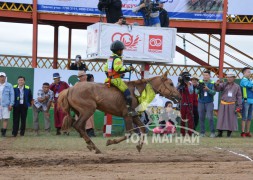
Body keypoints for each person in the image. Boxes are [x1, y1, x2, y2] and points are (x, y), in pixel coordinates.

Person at [103, 40, 136, 116]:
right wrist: (128, 69)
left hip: (108, 79)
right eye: (122, 50)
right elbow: (118, 69)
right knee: (128, 93)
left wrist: (115, 75)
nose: (122, 51)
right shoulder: (117, 59)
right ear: (118, 51)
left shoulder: (110, 58)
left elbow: (106, 69)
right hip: (115, 80)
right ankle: (129, 110)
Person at [215, 71, 242, 137]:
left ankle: (229, 134)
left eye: (231, 77)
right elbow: (218, 89)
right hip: (223, 104)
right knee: (221, 118)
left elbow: (239, 96)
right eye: (228, 77)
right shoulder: (224, 84)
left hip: (232, 104)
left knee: (231, 119)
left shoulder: (237, 86)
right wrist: (217, 84)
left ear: (234, 78)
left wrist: (239, 106)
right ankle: (220, 133)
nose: (229, 78)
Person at [197, 70, 216, 138]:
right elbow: (196, 92)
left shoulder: (212, 83)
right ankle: (202, 133)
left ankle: (212, 132)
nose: (205, 76)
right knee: (201, 118)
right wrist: (199, 88)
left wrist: (208, 89)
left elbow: (214, 93)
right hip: (201, 102)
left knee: (210, 117)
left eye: (206, 75)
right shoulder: (200, 82)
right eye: (204, 75)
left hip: (209, 102)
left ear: (209, 76)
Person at [177, 72, 194, 136]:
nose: (186, 79)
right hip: (182, 103)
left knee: (190, 119)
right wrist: (179, 83)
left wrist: (188, 85)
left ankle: (190, 133)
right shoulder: (179, 83)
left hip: (189, 103)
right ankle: (182, 133)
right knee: (182, 119)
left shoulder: (190, 83)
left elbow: (191, 92)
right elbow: (176, 90)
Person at [240, 67, 253, 137]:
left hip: (252, 101)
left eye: (250, 72)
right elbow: (248, 85)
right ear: (244, 73)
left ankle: (247, 132)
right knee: (244, 117)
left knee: (250, 117)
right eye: (248, 72)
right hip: (245, 101)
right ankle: (243, 132)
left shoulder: (250, 80)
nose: (250, 73)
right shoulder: (243, 80)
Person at [0, 72, 14, 137]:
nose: (2, 78)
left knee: (5, 119)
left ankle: (3, 132)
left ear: (5, 77)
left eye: (3, 77)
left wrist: (11, 104)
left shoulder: (9, 85)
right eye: (0, 77)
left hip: (6, 105)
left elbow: (12, 95)